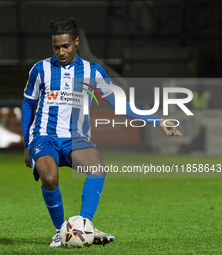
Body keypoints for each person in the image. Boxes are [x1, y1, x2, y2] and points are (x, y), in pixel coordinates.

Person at [21, 17, 182, 248]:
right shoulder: (40, 69)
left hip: (75, 138)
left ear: (76, 42)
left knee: (97, 169)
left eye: (66, 46)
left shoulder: (92, 71)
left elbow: (119, 103)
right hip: (44, 136)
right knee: (49, 178)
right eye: (56, 47)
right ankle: (60, 232)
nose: (61, 51)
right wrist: (27, 144)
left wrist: (157, 120)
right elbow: (28, 104)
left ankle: (85, 225)